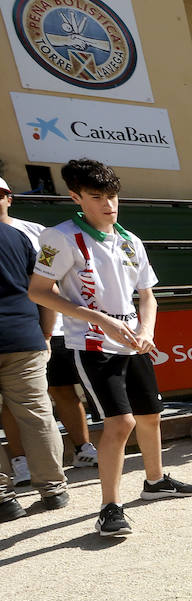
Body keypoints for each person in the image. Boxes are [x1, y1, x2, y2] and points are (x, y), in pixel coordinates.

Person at [28, 159, 192, 537]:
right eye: (97, 197)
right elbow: (39, 291)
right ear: (76, 197)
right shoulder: (58, 237)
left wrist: (147, 330)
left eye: (112, 196)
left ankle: (154, 482)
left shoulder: (130, 240)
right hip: (91, 344)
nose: (108, 204)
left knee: (150, 415)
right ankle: (109, 507)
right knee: (119, 422)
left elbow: (148, 295)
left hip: (133, 343)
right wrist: (101, 320)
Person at [0, 177, 97, 481]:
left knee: (61, 391)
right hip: (27, 333)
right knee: (15, 405)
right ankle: (21, 463)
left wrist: (48, 327)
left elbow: (55, 281)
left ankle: (83, 448)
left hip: (46, 330)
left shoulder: (35, 232)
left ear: (10, 197)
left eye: (0, 194)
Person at [0, 196, 69, 521]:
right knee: (38, 415)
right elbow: (45, 289)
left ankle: (3, 497)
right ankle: (53, 489)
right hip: (24, 336)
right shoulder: (16, 236)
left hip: (23, 336)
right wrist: (44, 334)